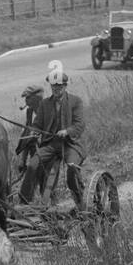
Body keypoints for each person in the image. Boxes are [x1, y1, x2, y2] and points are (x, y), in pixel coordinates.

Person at [32, 68, 86, 208]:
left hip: (70, 144)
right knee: (32, 165)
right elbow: (37, 124)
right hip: (50, 145)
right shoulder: (44, 104)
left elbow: (79, 125)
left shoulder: (75, 101)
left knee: (72, 169)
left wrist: (67, 131)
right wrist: (35, 132)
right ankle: (24, 202)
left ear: (65, 86)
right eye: (54, 86)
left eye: (59, 86)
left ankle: (80, 200)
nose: (56, 89)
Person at [15, 85, 45, 194]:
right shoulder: (30, 112)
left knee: (39, 171)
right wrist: (22, 159)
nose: (26, 101)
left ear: (37, 98)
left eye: (28, 98)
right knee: (31, 171)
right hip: (34, 148)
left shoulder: (48, 110)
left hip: (47, 148)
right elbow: (26, 134)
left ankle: (48, 197)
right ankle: (28, 198)